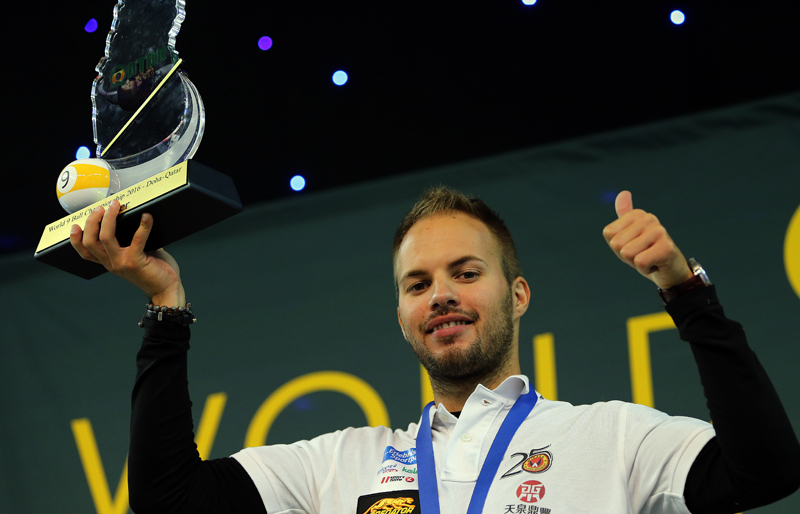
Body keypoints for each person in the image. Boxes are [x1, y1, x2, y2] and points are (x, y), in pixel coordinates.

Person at [70, 186, 800, 514]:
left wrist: (684, 291)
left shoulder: (613, 438)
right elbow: (168, 500)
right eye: (417, 284)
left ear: (518, 295)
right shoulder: (338, 466)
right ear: (402, 317)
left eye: (466, 273)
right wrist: (166, 307)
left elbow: (766, 472)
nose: (441, 294)